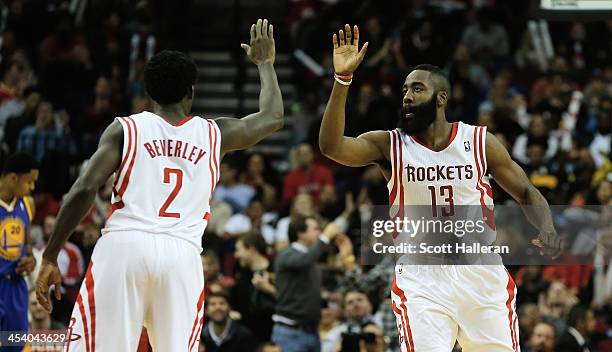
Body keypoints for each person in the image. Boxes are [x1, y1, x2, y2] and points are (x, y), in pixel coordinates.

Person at [36, 18, 284, 351]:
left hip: (125, 247)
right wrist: (265, 64)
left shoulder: (126, 129)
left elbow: (83, 189)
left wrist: (50, 256)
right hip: (181, 255)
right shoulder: (215, 133)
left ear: (149, 93)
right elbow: (272, 117)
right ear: (191, 92)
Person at [319, 24, 564, 351]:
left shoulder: (478, 142)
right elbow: (331, 146)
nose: (407, 96)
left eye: (417, 89)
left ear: (441, 98)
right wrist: (342, 80)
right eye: (405, 89)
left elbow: (526, 192)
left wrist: (546, 225)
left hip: (481, 275)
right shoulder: (390, 145)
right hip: (424, 279)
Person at [272, 215, 341, 352]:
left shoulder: (310, 259)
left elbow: (303, 290)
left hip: (312, 331)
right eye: (315, 229)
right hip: (290, 332)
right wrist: (325, 237)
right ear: (300, 233)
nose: (319, 232)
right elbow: (304, 261)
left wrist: (327, 296)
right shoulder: (287, 254)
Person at [0, 152, 38, 352]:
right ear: (13, 178)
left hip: (15, 287)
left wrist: (30, 259)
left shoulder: (27, 203)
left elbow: (28, 244)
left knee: (15, 346)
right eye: (29, 182)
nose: (32, 188)